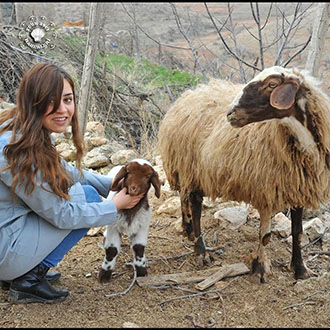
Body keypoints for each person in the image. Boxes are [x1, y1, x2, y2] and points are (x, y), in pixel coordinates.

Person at [0, 62, 143, 304]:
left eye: (67, 99)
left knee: (84, 191)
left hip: (6, 236)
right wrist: (115, 206)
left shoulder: (20, 128)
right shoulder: (17, 152)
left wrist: (110, 184)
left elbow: (66, 172)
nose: (62, 109)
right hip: (5, 251)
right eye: (50, 101)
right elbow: (61, 215)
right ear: (32, 101)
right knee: (83, 198)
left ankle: (19, 272)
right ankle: (29, 280)